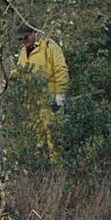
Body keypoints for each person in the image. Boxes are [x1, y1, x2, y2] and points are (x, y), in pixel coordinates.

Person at [14, 23, 69, 161]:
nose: (23, 41)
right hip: (31, 101)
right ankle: (38, 167)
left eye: (25, 37)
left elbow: (61, 70)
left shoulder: (50, 47)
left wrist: (60, 95)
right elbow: (21, 71)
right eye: (21, 39)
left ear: (34, 33)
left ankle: (57, 169)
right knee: (36, 137)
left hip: (49, 100)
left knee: (53, 136)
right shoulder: (23, 51)